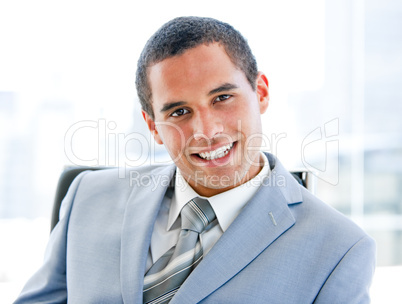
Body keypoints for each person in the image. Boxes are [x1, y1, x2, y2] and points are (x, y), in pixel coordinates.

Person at [15, 16, 376, 303]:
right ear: (153, 126)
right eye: (179, 111)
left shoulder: (339, 249)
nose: (205, 129)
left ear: (261, 92)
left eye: (222, 98)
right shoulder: (87, 198)